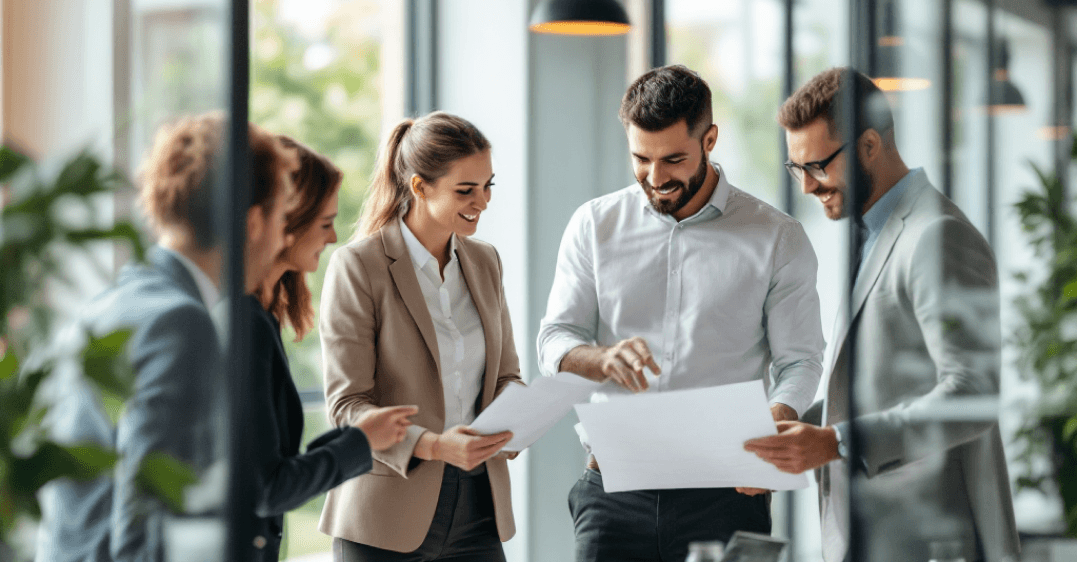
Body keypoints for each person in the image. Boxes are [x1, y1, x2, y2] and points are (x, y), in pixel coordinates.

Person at [34, 113, 408, 562]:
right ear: (253, 223)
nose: (279, 238)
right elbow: (150, 520)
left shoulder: (115, 300)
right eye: (278, 217)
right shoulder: (181, 322)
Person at [537, 64, 825, 562]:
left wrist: (776, 422)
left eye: (673, 159)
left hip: (727, 495)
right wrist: (601, 361)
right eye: (641, 159)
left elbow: (799, 360)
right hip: (611, 492)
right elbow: (555, 339)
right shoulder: (594, 225)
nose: (655, 177)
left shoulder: (777, 236)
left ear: (709, 139)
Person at [745, 67, 1020, 561]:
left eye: (818, 167)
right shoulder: (872, 234)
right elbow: (877, 385)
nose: (807, 187)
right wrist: (789, 439)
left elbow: (975, 394)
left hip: (927, 541)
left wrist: (834, 443)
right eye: (796, 169)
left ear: (869, 145)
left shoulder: (937, 236)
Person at [318, 111, 522, 562]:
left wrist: (519, 417)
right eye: (465, 190)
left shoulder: (485, 262)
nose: (482, 201)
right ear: (419, 186)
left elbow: (506, 375)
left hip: (478, 507)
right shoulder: (359, 267)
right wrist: (433, 445)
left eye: (488, 185)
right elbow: (347, 407)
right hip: (384, 515)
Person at [246, 134, 418, 561]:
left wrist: (362, 439)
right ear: (283, 224)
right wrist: (359, 441)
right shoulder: (244, 324)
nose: (333, 236)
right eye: (324, 223)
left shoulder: (266, 315)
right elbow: (267, 488)